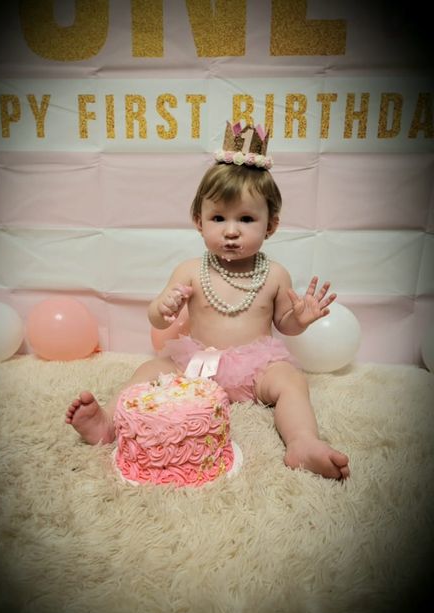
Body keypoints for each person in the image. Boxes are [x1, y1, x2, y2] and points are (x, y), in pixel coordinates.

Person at [65, 124, 350, 480]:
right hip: (198, 362)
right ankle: (108, 424)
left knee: (292, 381)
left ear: (271, 226)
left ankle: (302, 442)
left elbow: (282, 323)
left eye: (246, 219)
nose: (231, 230)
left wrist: (300, 318)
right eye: (219, 218)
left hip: (257, 367)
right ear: (199, 222)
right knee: (149, 372)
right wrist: (164, 307)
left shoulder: (275, 274)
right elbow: (156, 318)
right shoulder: (189, 270)